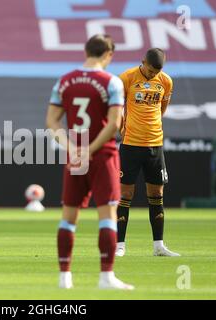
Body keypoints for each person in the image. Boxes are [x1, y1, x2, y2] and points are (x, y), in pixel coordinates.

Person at [46, 34, 134, 290]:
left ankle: (65, 278)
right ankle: (106, 277)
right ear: (109, 55)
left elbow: (52, 122)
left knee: (68, 217)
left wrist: (73, 147)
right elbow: (115, 124)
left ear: (86, 50)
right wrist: (90, 149)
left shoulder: (64, 81)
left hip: (75, 156)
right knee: (107, 215)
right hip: (103, 155)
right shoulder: (112, 82)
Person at [116, 48, 180, 257]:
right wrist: (121, 125)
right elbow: (116, 107)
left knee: (157, 194)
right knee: (125, 194)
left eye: (156, 72)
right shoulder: (126, 78)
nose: (153, 75)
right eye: (150, 71)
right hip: (130, 144)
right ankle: (119, 246)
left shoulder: (166, 81)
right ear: (142, 62)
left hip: (155, 145)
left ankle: (159, 246)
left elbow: (162, 108)